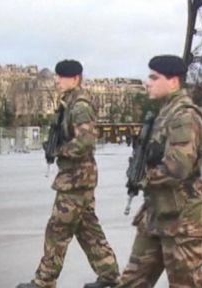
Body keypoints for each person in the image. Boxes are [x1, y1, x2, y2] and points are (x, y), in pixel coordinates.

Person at [17, 60, 119, 288]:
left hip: (76, 179)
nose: (57, 80)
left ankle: (44, 280)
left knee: (57, 229)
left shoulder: (80, 106)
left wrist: (58, 150)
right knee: (87, 229)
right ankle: (110, 274)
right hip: (78, 177)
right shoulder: (70, 104)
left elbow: (85, 142)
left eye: (61, 77)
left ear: (75, 79)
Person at [116, 55, 202, 287]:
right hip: (157, 212)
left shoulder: (183, 115)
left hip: (181, 219)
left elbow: (178, 167)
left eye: (154, 77)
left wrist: (142, 179)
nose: (148, 82)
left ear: (173, 81)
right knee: (132, 280)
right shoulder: (165, 113)